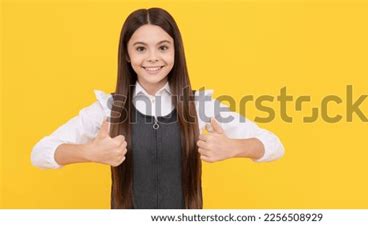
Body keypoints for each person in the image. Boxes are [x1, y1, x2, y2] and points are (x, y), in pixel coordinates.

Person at [31, 8, 284, 209]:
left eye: (163, 47)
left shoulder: (200, 105)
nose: (152, 57)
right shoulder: (108, 108)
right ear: (128, 55)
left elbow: (274, 145)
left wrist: (235, 147)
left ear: (176, 51)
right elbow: (40, 153)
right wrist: (88, 152)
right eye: (141, 48)